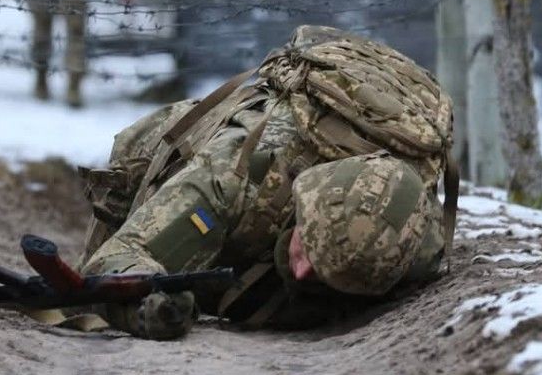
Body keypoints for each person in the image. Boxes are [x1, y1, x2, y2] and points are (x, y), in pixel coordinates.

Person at [75, 26, 459, 340]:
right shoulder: (231, 178)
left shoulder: (410, 242)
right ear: (304, 203)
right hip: (178, 153)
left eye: (326, 270)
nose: (304, 270)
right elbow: (112, 260)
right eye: (307, 246)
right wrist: (153, 304)